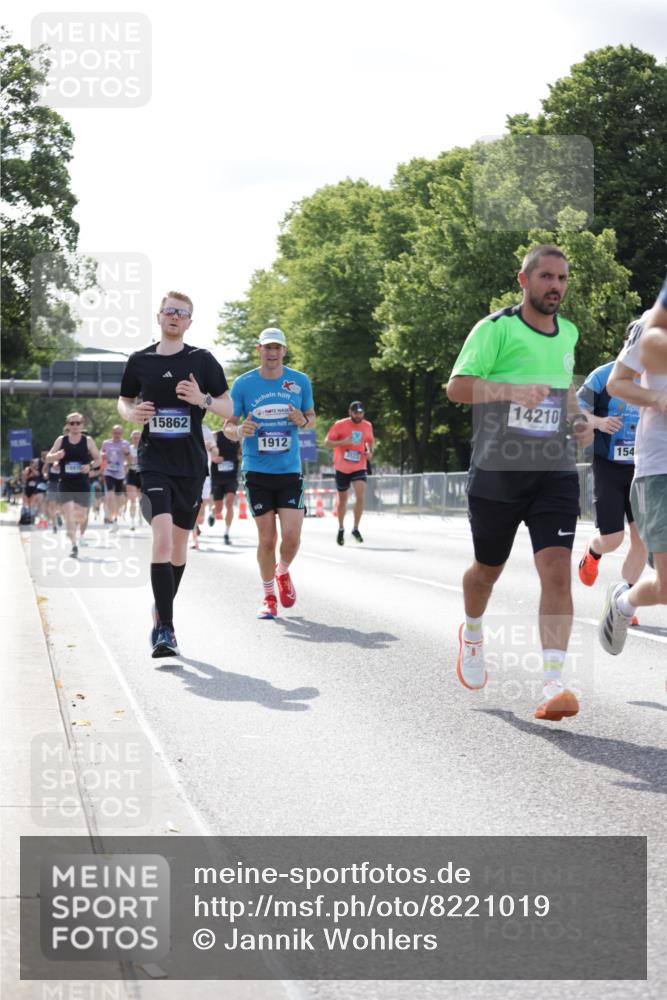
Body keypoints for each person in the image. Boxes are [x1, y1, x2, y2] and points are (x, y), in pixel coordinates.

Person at [446, 244, 594, 722]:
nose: (556, 286)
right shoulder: (496, 329)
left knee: (556, 570)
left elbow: (561, 386)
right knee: (487, 571)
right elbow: (458, 387)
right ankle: (472, 630)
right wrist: (510, 390)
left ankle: (553, 681)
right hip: (498, 471)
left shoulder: (568, 331)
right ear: (524, 280)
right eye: (547, 277)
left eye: (563, 278)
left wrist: (578, 418)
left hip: (554, 469)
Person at [118, 291, 232, 657]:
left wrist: (202, 400)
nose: (174, 317)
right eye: (169, 311)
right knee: (163, 540)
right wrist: (130, 413)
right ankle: (165, 629)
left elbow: (228, 407)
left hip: (190, 465)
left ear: (189, 322)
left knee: (180, 549)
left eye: (181, 313)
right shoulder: (140, 360)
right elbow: (124, 399)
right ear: (159, 317)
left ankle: (160, 607)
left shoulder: (203, 360)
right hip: (154, 461)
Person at [223, 327, 315, 619]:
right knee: (266, 539)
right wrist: (239, 430)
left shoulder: (299, 381)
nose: (272, 353)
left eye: (277, 348)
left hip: (289, 471)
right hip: (257, 471)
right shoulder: (243, 383)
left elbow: (311, 419)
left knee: (291, 537)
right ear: (258, 350)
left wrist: (302, 420)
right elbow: (228, 425)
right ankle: (268, 596)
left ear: (284, 351)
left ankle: (283, 571)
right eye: (267, 347)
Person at [599, 277, 667, 654]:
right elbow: (617, 383)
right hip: (661, 467)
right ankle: (623, 604)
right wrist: (658, 398)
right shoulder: (652, 323)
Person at [576, 347, 646, 623]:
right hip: (608, 466)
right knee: (613, 539)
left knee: (642, 539)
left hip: (643, 468)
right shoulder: (603, 376)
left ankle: (623, 603)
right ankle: (593, 552)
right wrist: (600, 422)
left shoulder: (657, 377)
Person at [46, 413, 101, 558]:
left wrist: (90, 466)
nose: (75, 426)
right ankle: (74, 546)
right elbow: (47, 457)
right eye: (72, 423)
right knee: (69, 515)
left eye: (78, 423)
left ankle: (74, 532)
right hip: (66, 483)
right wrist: (56, 456)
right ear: (67, 425)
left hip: (82, 483)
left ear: (82, 425)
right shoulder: (61, 440)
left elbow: (98, 459)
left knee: (81, 516)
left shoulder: (87, 441)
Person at [324, 401, 375, 545]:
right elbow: (327, 443)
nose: (358, 415)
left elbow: (370, 441)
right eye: (355, 412)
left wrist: (370, 451)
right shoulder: (340, 424)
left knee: (360, 495)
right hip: (342, 467)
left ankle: (355, 528)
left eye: (361, 412)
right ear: (350, 412)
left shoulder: (367, 425)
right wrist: (343, 442)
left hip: (359, 465)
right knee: (343, 500)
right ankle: (341, 528)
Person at [209, 430, 241, 544]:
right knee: (219, 509)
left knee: (230, 503)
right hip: (218, 477)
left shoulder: (238, 436)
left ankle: (227, 533)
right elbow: (206, 448)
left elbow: (241, 453)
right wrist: (213, 458)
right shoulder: (216, 435)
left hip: (232, 476)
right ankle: (213, 513)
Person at [101, 425, 130, 532]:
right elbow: (101, 455)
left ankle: (115, 519)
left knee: (118, 498)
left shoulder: (125, 443)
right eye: (115, 432)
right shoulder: (106, 443)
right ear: (112, 433)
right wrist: (102, 456)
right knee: (110, 495)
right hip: (108, 472)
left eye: (119, 433)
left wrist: (126, 453)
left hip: (120, 473)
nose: (117, 435)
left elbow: (130, 460)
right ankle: (111, 517)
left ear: (121, 433)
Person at [126, 429, 142, 530]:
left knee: (141, 499)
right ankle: (132, 521)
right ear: (131, 438)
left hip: (142, 474)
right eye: (134, 437)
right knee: (132, 500)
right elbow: (126, 461)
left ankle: (140, 515)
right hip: (132, 474)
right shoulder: (129, 449)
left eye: (138, 437)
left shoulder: (145, 448)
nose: (136, 439)